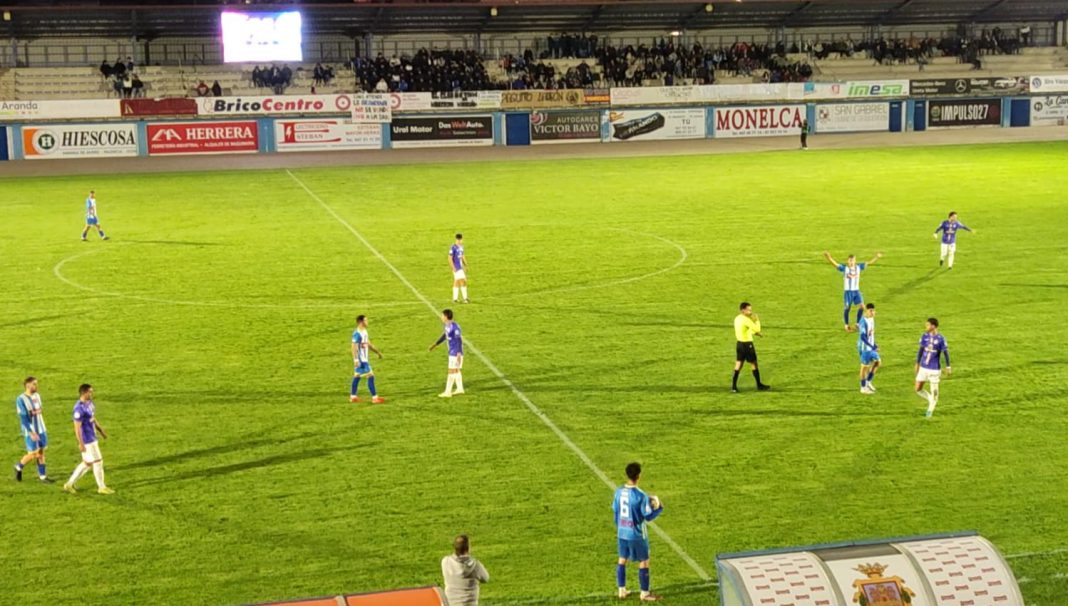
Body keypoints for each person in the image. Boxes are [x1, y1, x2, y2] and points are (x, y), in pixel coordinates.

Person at [613, 462, 663, 602]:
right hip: (636, 534)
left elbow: (616, 512)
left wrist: (619, 527)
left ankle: (621, 590)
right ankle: (645, 593)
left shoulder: (618, 491)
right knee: (644, 561)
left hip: (622, 532)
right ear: (638, 476)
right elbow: (647, 516)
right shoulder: (641, 495)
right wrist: (659, 509)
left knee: (622, 559)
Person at [62, 384, 114, 494]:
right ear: (84, 393)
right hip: (87, 440)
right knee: (98, 461)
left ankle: (69, 484)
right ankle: (102, 487)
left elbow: (93, 418)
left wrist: (101, 430)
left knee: (87, 463)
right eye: (90, 392)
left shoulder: (89, 403)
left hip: (92, 436)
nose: (91, 394)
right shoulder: (78, 409)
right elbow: (77, 428)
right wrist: (81, 443)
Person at [823, 251, 883, 331]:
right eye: (850, 260)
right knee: (847, 308)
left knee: (862, 306)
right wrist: (829, 257)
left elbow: (869, 263)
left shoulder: (858, 267)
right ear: (847, 261)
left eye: (853, 260)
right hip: (848, 292)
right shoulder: (845, 268)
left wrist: (877, 257)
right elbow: (835, 264)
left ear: (855, 261)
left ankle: (857, 324)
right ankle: (846, 325)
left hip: (856, 291)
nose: (851, 262)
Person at [14, 376, 53, 483]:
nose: (37, 386)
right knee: (33, 454)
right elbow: (23, 417)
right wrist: (31, 432)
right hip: (31, 431)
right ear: (28, 385)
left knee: (41, 451)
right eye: (34, 384)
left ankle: (43, 477)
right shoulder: (21, 399)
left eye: (36, 383)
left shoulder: (37, 396)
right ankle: (18, 466)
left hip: (41, 428)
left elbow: (39, 411)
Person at [915, 318, 950, 419]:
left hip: (934, 370)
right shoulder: (924, 336)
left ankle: (929, 412)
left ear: (933, 326)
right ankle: (931, 399)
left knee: (934, 393)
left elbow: (946, 353)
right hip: (923, 368)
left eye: (928, 325)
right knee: (917, 389)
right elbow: (920, 350)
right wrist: (917, 363)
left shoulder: (941, 339)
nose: (926, 327)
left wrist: (948, 367)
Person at [732, 302, 770, 392]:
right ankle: (759, 385)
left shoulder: (737, 319)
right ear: (743, 310)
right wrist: (756, 320)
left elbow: (745, 329)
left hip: (739, 344)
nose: (750, 312)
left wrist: (757, 334)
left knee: (738, 364)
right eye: (749, 310)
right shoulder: (746, 320)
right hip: (747, 344)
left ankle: (733, 387)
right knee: (754, 364)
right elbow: (757, 328)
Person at [441, 534, 489, 606]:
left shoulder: (445, 561)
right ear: (468, 548)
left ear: (455, 547)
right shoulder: (475, 565)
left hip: (450, 603)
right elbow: (486, 578)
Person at [428, 309, 464, 398]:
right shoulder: (447, 325)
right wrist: (436, 344)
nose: (441, 317)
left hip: (455, 352)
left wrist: (458, 353)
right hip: (452, 351)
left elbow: (459, 340)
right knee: (456, 370)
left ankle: (447, 392)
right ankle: (460, 388)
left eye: (442, 315)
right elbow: (445, 335)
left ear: (446, 317)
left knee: (451, 371)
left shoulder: (455, 327)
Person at [350, 315, 385, 404]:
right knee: (371, 376)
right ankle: (375, 398)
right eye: (366, 320)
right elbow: (353, 347)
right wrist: (356, 360)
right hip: (361, 360)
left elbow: (369, 344)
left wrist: (378, 352)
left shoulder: (364, 331)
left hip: (363, 359)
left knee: (357, 376)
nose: (367, 322)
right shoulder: (357, 333)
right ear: (361, 322)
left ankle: (353, 397)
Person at [857, 303, 880, 394]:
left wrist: (874, 344)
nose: (873, 312)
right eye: (871, 311)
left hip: (870, 347)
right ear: (866, 311)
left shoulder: (872, 319)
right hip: (865, 348)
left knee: (878, 362)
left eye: (873, 310)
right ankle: (863, 388)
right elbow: (863, 337)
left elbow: (870, 335)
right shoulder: (863, 321)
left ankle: (868, 382)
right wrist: (872, 346)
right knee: (864, 368)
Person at [450, 233, 469, 303]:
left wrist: (466, 264)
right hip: (456, 267)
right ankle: (465, 299)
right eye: (461, 239)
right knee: (463, 281)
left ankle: (455, 299)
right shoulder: (453, 247)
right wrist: (453, 267)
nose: (462, 241)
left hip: (460, 267)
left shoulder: (461, 247)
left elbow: (462, 256)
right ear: (459, 239)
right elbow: (449, 258)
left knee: (457, 281)